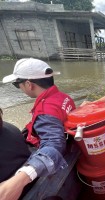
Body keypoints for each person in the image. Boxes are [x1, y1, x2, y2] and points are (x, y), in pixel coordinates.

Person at [0, 58, 75, 199]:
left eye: (18, 84)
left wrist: (21, 178)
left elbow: (54, 143)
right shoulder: (63, 97)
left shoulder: (45, 110)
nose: (20, 88)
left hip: (55, 155)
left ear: (29, 84)